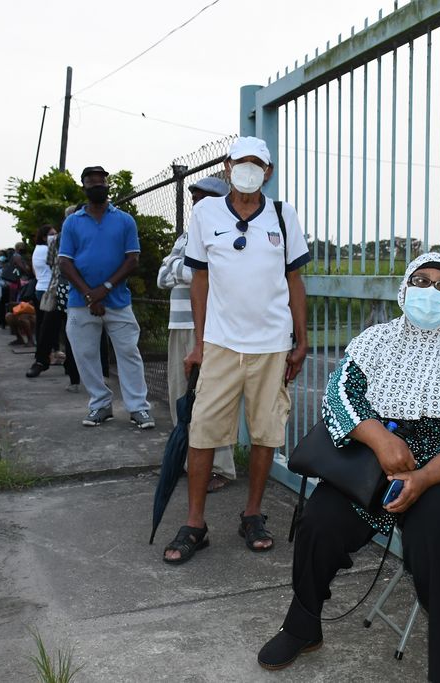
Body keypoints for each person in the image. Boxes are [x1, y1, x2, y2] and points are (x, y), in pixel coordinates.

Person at [256, 252, 440, 683]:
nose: (432, 292)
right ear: (404, 289)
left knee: (436, 539)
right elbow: (339, 397)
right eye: (422, 280)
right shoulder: (375, 340)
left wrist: (424, 476)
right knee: (319, 520)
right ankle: (302, 626)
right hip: (376, 460)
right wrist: (381, 439)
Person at [162, 136, 310, 563]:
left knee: (265, 432)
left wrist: (301, 341)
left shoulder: (283, 216)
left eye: (256, 164)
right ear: (227, 167)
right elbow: (200, 282)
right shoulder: (206, 213)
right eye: (240, 162)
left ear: (269, 172)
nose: (247, 170)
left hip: (271, 345)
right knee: (203, 430)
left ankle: (253, 514)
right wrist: (200, 343)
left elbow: (295, 282)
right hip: (222, 345)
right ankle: (195, 523)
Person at [57, 165, 155, 429]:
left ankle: (138, 408)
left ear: (107, 186)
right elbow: (65, 262)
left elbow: (132, 260)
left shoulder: (124, 220)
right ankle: (100, 404)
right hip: (81, 302)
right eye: (91, 182)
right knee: (85, 354)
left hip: (118, 300)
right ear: (84, 187)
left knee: (128, 353)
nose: (97, 186)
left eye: (101, 182)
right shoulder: (72, 222)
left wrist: (105, 288)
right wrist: (90, 294)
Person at [157, 176, 237, 493]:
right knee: (181, 395)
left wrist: (185, 267)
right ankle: (189, 462)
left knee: (210, 398)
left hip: (210, 326)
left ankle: (221, 467)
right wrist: (192, 269)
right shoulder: (188, 235)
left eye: (203, 199)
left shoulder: (227, 233)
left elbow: (219, 274)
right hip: (180, 324)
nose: (196, 205)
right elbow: (164, 277)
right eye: (194, 199)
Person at [32, 223, 56, 343]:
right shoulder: (47, 250)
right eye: (52, 235)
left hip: (39, 287)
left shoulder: (36, 250)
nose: (55, 237)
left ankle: (41, 350)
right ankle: (50, 351)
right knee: (50, 325)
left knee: (41, 322)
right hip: (48, 289)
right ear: (44, 237)